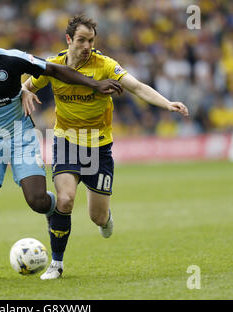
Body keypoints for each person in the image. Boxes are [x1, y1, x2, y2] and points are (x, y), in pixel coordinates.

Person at [0, 14, 122, 281]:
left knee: (38, 201)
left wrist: (95, 84)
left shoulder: (13, 59)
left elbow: (54, 69)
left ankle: (55, 212)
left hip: (20, 136)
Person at [22, 14, 189, 280]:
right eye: (81, 40)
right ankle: (56, 263)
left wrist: (167, 103)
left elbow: (137, 87)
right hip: (66, 141)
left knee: (97, 218)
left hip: (99, 147)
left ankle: (105, 216)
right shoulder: (53, 65)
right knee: (64, 201)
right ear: (69, 40)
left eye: (90, 40)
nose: (87, 45)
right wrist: (24, 92)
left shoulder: (105, 65)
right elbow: (26, 86)